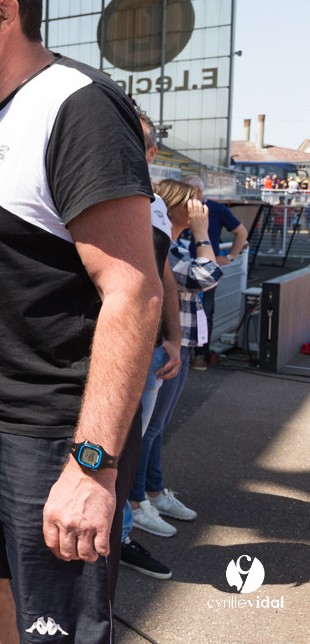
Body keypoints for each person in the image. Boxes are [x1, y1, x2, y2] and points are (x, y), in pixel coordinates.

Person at [0, 0, 161, 644]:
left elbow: (133, 293)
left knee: (58, 630)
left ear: (4, 13)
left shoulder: (77, 108)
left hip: (51, 434)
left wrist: (92, 467)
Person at [128, 179, 221, 541]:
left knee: (158, 426)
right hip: (165, 344)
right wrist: (203, 233)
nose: (201, 208)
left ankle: (153, 491)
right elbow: (207, 276)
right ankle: (137, 503)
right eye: (193, 203)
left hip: (180, 343)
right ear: (173, 207)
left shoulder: (178, 243)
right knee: (147, 430)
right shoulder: (167, 246)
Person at [119, 112, 183, 581]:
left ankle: (123, 528)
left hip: (150, 348)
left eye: (131, 138)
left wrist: (175, 338)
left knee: (134, 442)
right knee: (111, 444)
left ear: (151, 152)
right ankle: (116, 532)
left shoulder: (156, 205)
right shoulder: (92, 187)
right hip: (104, 351)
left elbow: (164, 278)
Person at [181, 175, 247, 370]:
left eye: (184, 190)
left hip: (205, 272)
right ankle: (181, 354)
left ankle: (201, 355)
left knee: (205, 312)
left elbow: (241, 232)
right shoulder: (178, 209)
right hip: (180, 269)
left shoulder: (217, 209)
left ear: (197, 192)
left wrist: (231, 257)